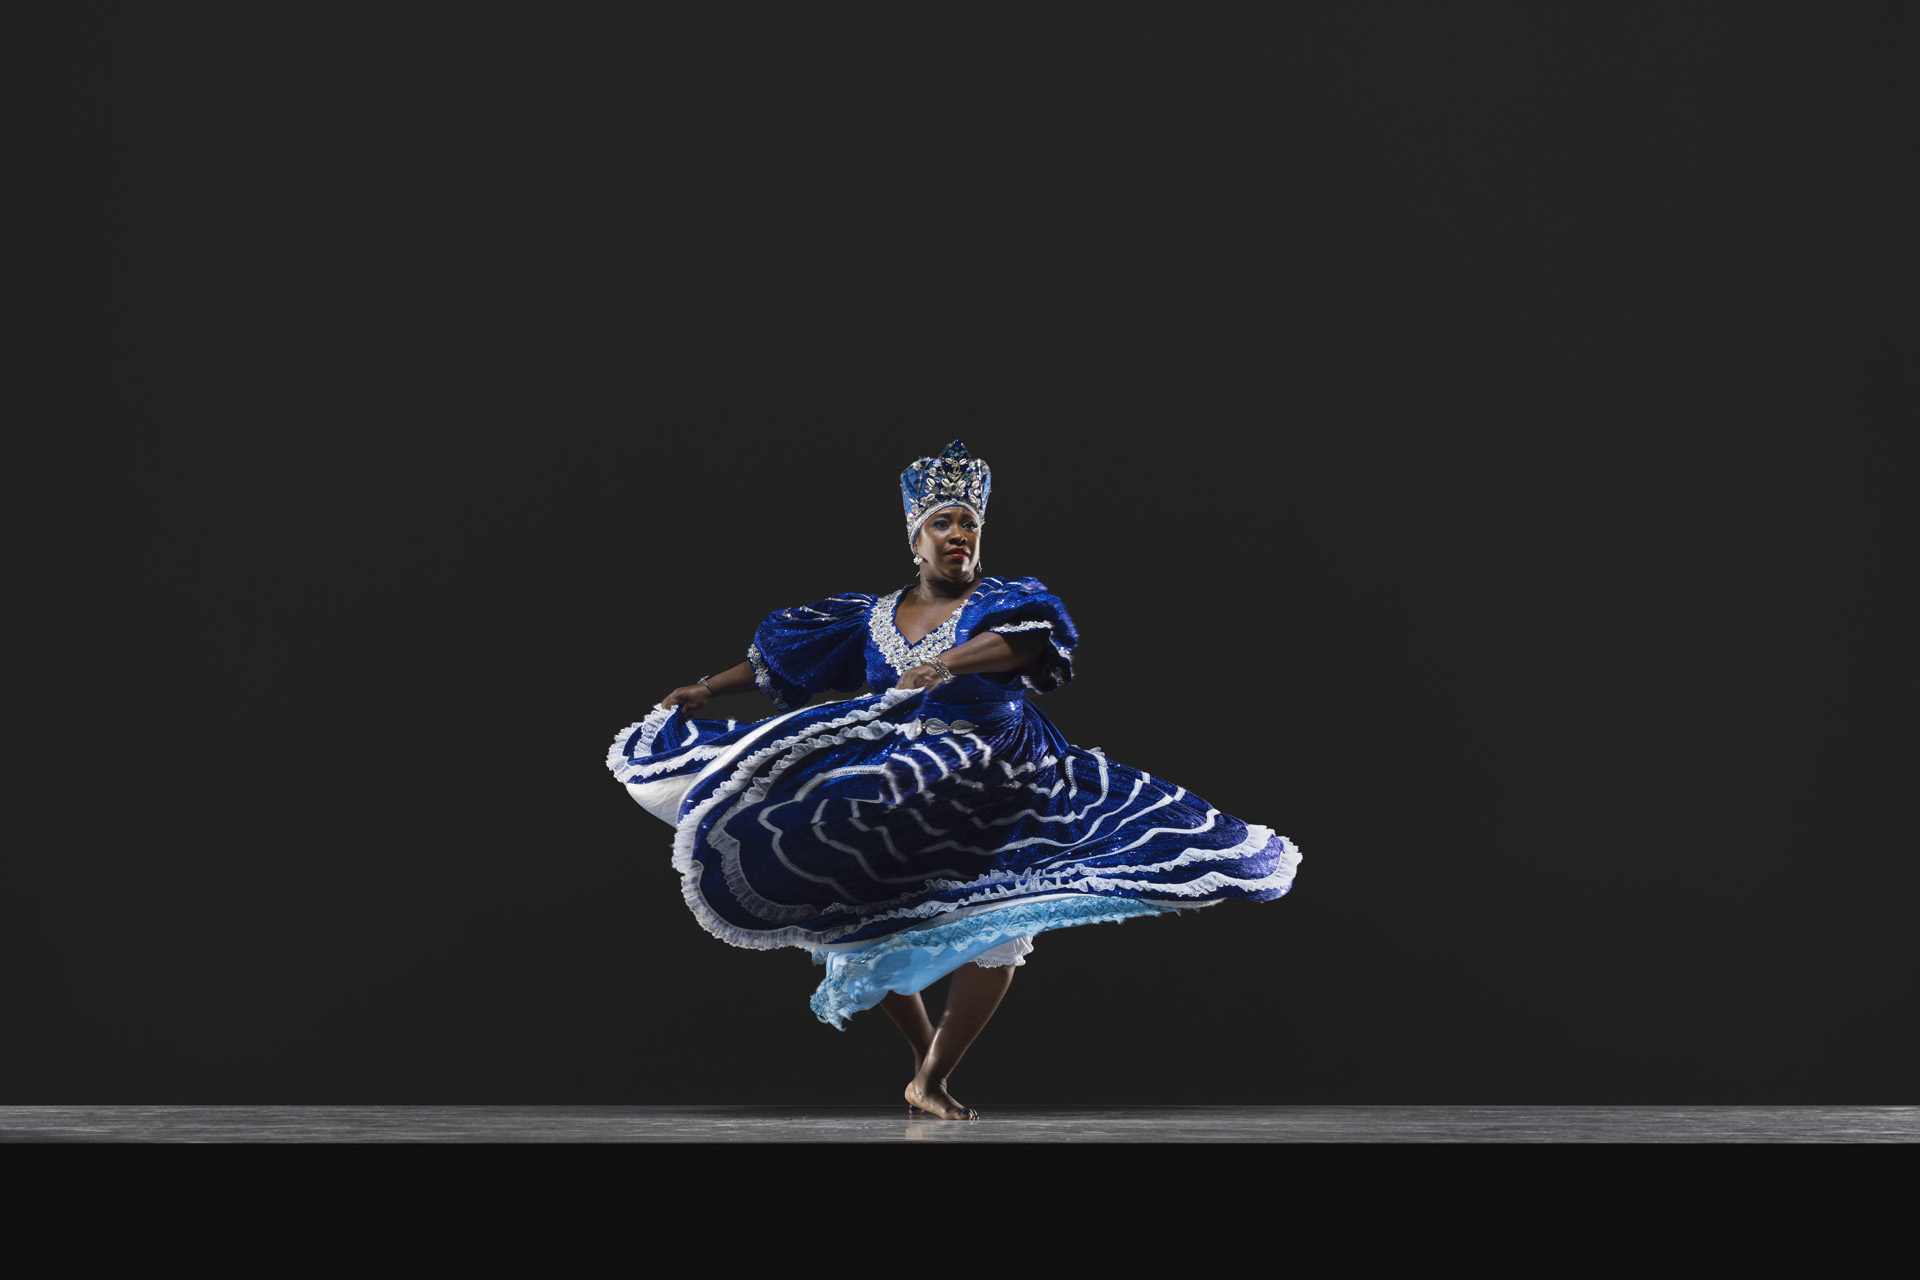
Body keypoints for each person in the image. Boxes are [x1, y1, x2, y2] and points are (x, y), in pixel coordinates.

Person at [606, 440, 1300, 1120]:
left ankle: (935, 1077)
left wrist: (944, 666)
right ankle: (919, 1063)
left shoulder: (1001, 602)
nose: (959, 533)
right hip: (902, 777)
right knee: (862, 913)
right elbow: (782, 671)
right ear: (917, 539)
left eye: (969, 523)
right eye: (943, 522)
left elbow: (1026, 644)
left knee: (1000, 924)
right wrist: (703, 688)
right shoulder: (871, 617)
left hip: (1001, 773)